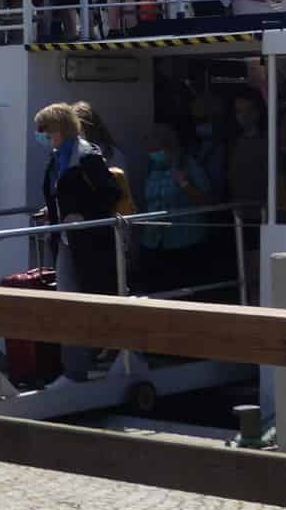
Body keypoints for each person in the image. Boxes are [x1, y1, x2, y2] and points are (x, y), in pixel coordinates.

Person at [35, 102, 121, 381]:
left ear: (61, 129)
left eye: (47, 132)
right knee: (68, 304)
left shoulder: (86, 156)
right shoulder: (59, 156)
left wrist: (82, 214)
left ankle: (92, 363)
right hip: (66, 241)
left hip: (89, 242)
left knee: (91, 301)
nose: (44, 137)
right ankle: (74, 370)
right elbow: (61, 192)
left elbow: (111, 195)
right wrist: (54, 211)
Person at [135, 124, 213, 297]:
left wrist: (185, 184)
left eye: (155, 148)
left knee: (182, 293)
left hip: (184, 241)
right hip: (153, 241)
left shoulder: (189, 164)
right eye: (149, 149)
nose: (152, 153)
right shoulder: (152, 168)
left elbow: (207, 200)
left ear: (168, 146)